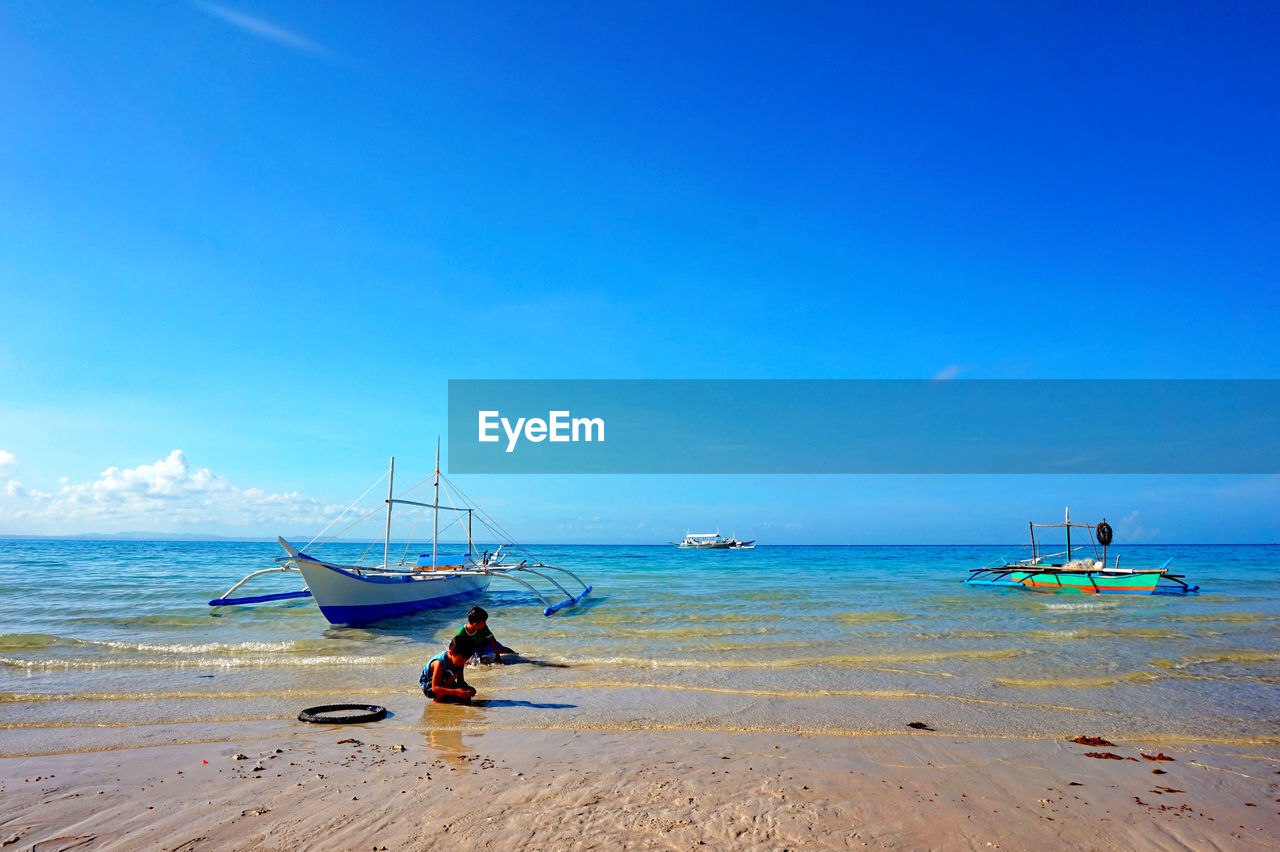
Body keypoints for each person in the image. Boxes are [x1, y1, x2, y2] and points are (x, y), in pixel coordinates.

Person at [419, 637, 476, 704]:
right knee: (451, 676)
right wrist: (456, 692)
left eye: (466, 660)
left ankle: (446, 697)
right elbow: (435, 688)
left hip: (446, 682)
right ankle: (437, 700)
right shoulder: (439, 663)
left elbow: (461, 681)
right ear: (451, 653)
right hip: (429, 688)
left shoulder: (460, 662)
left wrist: (469, 689)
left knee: (466, 698)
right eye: (461, 659)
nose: (463, 662)